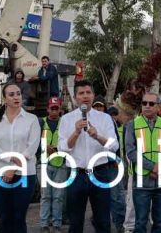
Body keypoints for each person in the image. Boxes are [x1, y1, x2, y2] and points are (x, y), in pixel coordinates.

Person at [58, 80, 119, 233]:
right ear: (75, 97)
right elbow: (62, 148)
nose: (85, 96)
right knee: (75, 222)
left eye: (88, 92)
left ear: (92, 95)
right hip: (76, 174)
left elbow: (114, 145)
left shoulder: (105, 118)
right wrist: (76, 132)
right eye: (81, 93)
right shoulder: (66, 119)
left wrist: (98, 136)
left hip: (99, 172)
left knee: (103, 221)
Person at [0, 83, 41, 233]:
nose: (16, 97)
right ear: (4, 99)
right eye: (11, 94)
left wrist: (14, 169)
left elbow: (32, 148)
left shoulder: (32, 119)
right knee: (5, 218)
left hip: (24, 175)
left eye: (18, 93)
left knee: (18, 218)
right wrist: (10, 159)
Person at [125, 92, 161, 233]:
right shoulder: (132, 125)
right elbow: (131, 152)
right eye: (144, 103)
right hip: (142, 182)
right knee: (140, 223)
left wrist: (159, 167)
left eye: (151, 103)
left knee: (160, 223)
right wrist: (152, 167)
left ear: (158, 106)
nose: (147, 106)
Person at [38, 97, 68, 233]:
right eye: (52, 108)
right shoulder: (40, 123)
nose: (54, 111)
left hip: (60, 163)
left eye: (57, 108)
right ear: (48, 109)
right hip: (44, 163)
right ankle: (44, 224)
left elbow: (69, 141)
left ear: (60, 109)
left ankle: (57, 224)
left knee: (58, 196)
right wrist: (44, 147)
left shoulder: (64, 123)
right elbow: (33, 141)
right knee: (45, 195)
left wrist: (57, 149)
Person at [107, 106, 127, 232]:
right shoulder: (107, 126)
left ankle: (120, 222)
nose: (114, 117)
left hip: (118, 164)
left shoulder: (123, 128)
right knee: (112, 196)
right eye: (112, 114)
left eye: (115, 114)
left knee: (118, 195)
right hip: (107, 164)